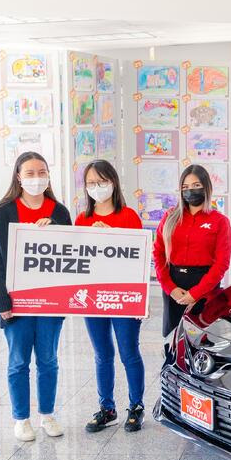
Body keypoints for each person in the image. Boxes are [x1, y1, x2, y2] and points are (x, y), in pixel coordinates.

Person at [0, 152, 72, 442]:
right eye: (30, 173)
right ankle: (21, 419)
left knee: (48, 359)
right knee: (18, 361)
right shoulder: (4, 212)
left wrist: (55, 232)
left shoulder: (59, 211)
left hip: (50, 302)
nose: (37, 178)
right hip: (16, 302)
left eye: (42, 172)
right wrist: (1, 301)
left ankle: (47, 414)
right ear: (19, 176)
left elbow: (72, 255)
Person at [75, 160, 147, 432]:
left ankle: (135, 406)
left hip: (123, 296)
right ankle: (107, 407)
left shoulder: (128, 216)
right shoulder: (82, 219)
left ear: (113, 183)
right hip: (93, 296)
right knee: (102, 353)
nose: (97, 187)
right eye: (91, 183)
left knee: (129, 352)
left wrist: (114, 236)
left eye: (102, 182)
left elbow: (138, 259)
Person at [152, 165, 231, 340]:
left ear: (206, 187)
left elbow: (222, 264)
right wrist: (170, 288)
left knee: (201, 340)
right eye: (185, 187)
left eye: (196, 185)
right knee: (172, 338)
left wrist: (196, 293)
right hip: (174, 285)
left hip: (205, 286)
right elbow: (157, 253)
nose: (191, 191)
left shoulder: (220, 222)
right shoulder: (170, 216)